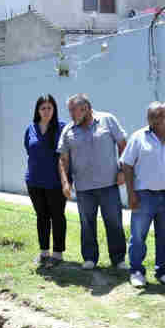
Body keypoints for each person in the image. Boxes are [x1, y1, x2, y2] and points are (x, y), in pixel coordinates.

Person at [120, 102, 165, 288]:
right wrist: (131, 194)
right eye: (152, 116)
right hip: (144, 195)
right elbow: (127, 165)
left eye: (160, 115)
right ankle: (136, 271)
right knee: (138, 236)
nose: (156, 119)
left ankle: (163, 272)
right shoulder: (138, 137)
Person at [57, 93, 128, 270]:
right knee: (87, 224)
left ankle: (118, 259)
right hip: (83, 188)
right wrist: (65, 182)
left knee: (114, 222)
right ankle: (89, 258)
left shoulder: (107, 120)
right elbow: (63, 159)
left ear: (86, 108)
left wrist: (122, 171)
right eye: (69, 111)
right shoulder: (68, 130)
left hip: (109, 185)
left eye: (73, 110)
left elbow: (123, 145)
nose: (71, 115)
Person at [23, 94, 66, 266]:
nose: (46, 111)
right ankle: (44, 252)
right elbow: (29, 149)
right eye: (43, 108)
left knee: (57, 216)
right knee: (42, 216)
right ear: (37, 110)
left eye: (49, 108)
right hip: (34, 181)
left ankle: (57, 254)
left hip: (55, 182)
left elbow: (65, 154)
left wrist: (66, 181)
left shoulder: (61, 127)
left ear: (54, 109)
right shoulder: (31, 128)